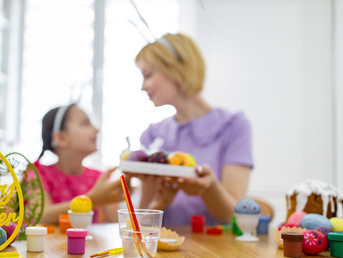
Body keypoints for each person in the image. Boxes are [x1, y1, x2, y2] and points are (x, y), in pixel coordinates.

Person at [134, 33, 253, 226]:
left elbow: (235, 217)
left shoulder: (233, 127)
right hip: (163, 247)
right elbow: (143, 219)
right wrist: (155, 195)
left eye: (148, 75)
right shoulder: (152, 135)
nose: (142, 87)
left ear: (176, 69)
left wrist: (210, 188)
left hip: (218, 251)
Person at [34, 104, 124, 224]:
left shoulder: (98, 178)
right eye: (85, 123)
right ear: (61, 138)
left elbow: (119, 224)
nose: (97, 130)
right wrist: (93, 199)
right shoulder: (36, 173)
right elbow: (40, 217)